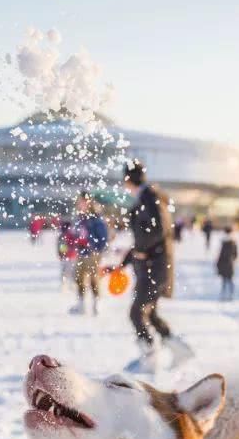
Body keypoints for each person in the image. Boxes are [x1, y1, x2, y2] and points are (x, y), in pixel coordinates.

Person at [121, 160, 193, 373]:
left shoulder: (150, 197)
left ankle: (150, 357)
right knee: (149, 314)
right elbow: (144, 237)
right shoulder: (147, 197)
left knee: (136, 313)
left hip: (155, 267)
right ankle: (179, 351)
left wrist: (141, 250)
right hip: (152, 266)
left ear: (127, 179)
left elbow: (159, 229)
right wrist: (124, 262)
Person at [70, 193, 108, 316]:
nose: (81, 204)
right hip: (81, 251)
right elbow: (76, 233)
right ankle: (81, 304)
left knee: (93, 278)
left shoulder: (95, 217)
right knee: (79, 277)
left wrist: (93, 245)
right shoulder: (80, 218)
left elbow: (103, 237)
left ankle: (97, 304)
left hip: (93, 252)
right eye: (80, 202)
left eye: (83, 201)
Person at [216, 226, 238, 300]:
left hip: (225, 263)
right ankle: (229, 294)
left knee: (225, 280)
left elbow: (221, 254)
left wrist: (218, 263)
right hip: (229, 263)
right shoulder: (233, 242)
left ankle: (226, 294)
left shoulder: (225, 242)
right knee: (229, 280)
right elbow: (236, 255)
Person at [57, 218, 78, 289]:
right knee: (72, 271)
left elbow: (61, 246)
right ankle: (72, 284)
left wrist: (62, 253)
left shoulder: (63, 235)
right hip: (72, 255)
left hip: (67, 256)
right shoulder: (72, 234)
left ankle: (65, 284)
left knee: (65, 271)